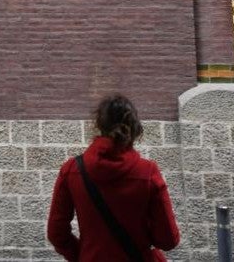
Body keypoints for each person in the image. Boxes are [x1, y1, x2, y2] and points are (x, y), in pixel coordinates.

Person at [47, 94, 181, 261]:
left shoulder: (71, 170)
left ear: (98, 125)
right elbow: (168, 239)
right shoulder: (148, 173)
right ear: (134, 128)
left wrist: (83, 254)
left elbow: (56, 233)